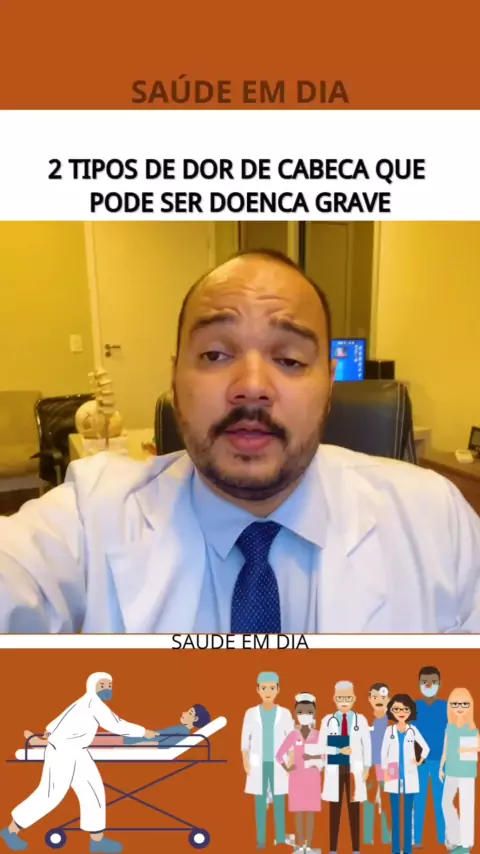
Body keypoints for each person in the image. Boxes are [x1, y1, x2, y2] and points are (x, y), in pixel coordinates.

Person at [0, 249, 479, 634]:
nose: (251, 386)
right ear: (175, 379)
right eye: (214, 354)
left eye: (290, 360)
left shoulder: (434, 518)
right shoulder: (92, 515)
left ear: (329, 385)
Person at [0, 672, 157, 853]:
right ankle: (10, 831)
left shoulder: (85, 702)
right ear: (92, 686)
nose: (107, 689)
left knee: (93, 791)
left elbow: (64, 716)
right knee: (50, 795)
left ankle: (97, 841)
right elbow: (116, 724)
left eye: (109, 686)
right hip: (62, 751)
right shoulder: (92, 703)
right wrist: (143, 732)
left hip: (79, 752)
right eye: (102, 685)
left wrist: (49, 730)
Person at [310, 680, 371, 854]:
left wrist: (367, 767)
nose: (344, 701)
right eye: (340, 698)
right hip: (335, 769)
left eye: (348, 698)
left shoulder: (361, 720)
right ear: (334, 699)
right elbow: (321, 746)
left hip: (354, 769)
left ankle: (356, 849)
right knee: (334, 810)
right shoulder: (327, 720)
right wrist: (337, 750)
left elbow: (366, 745)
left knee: (354, 810)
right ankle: (333, 849)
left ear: (354, 698)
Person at [241, 671, 293, 849]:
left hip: (280, 764)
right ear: (258, 690)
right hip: (258, 764)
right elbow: (245, 741)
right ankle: (261, 840)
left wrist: (290, 761)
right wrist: (245, 762)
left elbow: (291, 740)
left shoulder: (285, 713)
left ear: (278, 689)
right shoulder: (251, 713)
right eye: (264, 688)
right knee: (260, 803)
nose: (268, 692)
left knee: (279, 802)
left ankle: (280, 839)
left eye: (272, 688)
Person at [23, 704, 211, 748]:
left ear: (195, 719)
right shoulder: (181, 731)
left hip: (128, 742)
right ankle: (50, 740)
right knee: (89, 736)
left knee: (86, 739)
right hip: (129, 739)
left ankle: (43, 743)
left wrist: (135, 745)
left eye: (189, 713)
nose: (184, 713)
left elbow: (159, 745)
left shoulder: (182, 731)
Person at [381, 694, 429, 854]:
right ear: (391, 711)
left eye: (405, 709)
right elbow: (383, 753)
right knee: (395, 816)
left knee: (408, 816)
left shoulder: (413, 730)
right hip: (393, 775)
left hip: (410, 776)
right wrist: (385, 772)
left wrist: (420, 760)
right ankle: (396, 850)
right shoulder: (389, 730)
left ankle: (407, 850)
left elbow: (426, 748)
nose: (401, 713)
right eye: (397, 709)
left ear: (410, 711)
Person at [275, 693, 322, 853]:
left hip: (313, 777)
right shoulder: (293, 735)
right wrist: (287, 768)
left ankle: (309, 845)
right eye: (301, 712)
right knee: (299, 813)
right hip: (296, 778)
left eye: (309, 712)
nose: (305, 715)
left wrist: (313, 758)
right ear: (296, 714)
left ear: (314, 713)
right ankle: (301, 845)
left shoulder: (319, 735)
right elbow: (279, 754)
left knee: (311, 813)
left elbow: (326, 755)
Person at [441, 687, 480, 854]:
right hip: (451, 769)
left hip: (467, 771)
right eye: (455, 703)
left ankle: (466, 842)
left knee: (467, 805)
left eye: (464, 704)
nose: (460, 707)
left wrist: (465, 750)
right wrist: (441, 766)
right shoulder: (449, 727)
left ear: (470, 705)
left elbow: (478, 746)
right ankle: (455, 837)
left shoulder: (472, 728)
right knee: (446, 802)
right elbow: (445, 749)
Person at [414, 666, 448, 847]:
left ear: (440, 684)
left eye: (433, 682)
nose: (429, 685)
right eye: (424, 682)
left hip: (441, 763)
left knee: (442, 802)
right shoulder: (413, 707)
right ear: (419, 683)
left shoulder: (447, 707)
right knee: (417, 801)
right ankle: (417, 840)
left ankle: (443, 838)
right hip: (418, 763)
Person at [363, 683, 392, 847]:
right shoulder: (365, 721)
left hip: (388, 767)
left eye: (382, 697)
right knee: (369, 801)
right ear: (369, 699)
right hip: (369, 767)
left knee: (387, 801)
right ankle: (368, 838)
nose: (378, 700)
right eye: (375, 697)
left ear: (388, 699)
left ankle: (387, 837)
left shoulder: (392, 721)